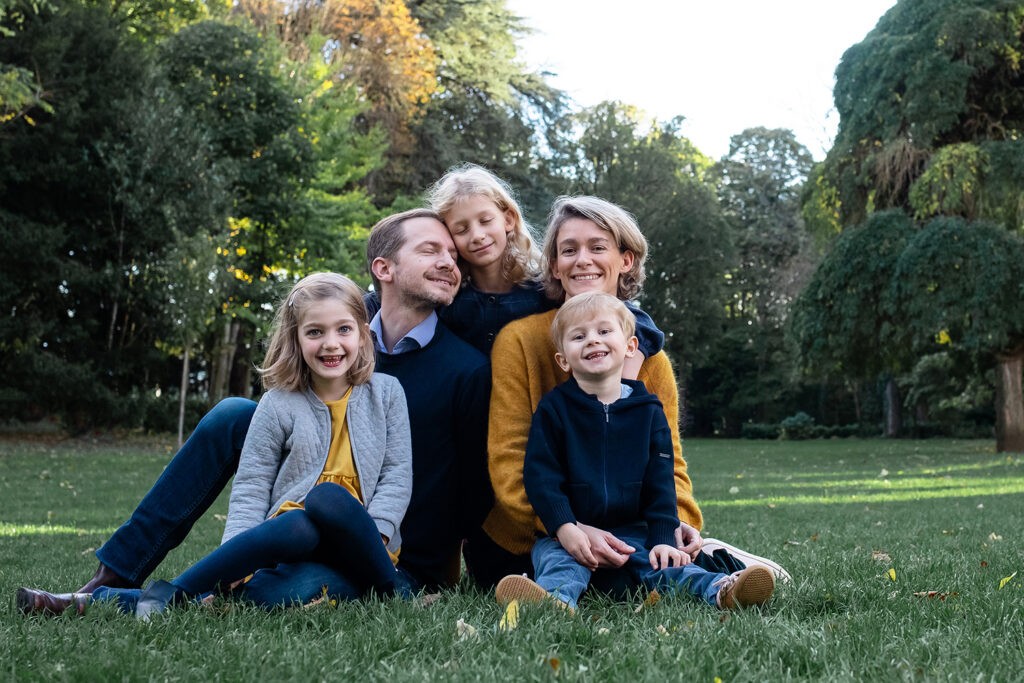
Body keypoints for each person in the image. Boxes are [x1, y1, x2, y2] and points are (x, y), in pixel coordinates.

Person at [16, 208, 490, 615]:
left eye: (454, 254)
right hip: (298, 519)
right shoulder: (341, 327)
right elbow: (269, 445)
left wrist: (429, 562)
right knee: (232, 414)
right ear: (384, 269)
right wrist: (243, 549)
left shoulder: (464, 369)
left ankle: (158, 599)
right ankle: (112, 575)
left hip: (384, 548)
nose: (450, 262)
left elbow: (471, 489)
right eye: (431, 250)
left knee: (280, 591)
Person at [468, 195, 790, 590]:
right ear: (554, 265)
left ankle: (715, 567)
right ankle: (714, 564)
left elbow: (667, 461)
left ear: (626, 260)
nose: (582, 259)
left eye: (598, 247)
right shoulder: (519, 341)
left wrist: (682, 522)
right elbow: (511, 460)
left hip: (628, 532)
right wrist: (568, 526)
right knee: (579, 578)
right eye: (569, 250)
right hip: (533, 535)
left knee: (643, 571)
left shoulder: (650, 358)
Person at [89, 273, 412, 618]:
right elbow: (252, 486)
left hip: (360, 545)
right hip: (292, 543)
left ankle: (391, 585)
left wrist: (376, 537)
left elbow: (396, 474)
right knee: (286, 562)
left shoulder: (387, 393)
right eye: (315, 332)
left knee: (327, 498)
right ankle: (138, 598)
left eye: (343, 330)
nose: (331, 343)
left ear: (363, 334)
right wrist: (235, 559)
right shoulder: (278, 404)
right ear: (296, 337)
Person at [494, 292, 775, 612]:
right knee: (559, 563)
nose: (591, 341)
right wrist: (565, 527)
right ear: (563, 360)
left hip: (634, 530)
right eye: (578, 336)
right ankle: (554, 602)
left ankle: (723, 590)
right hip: (569, 531)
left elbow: (661, 480)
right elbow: (540, 476)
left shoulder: (648, 411)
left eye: (603, 331)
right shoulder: (554, 410)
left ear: (629, 347)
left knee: (668, 567)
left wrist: (662, 536)